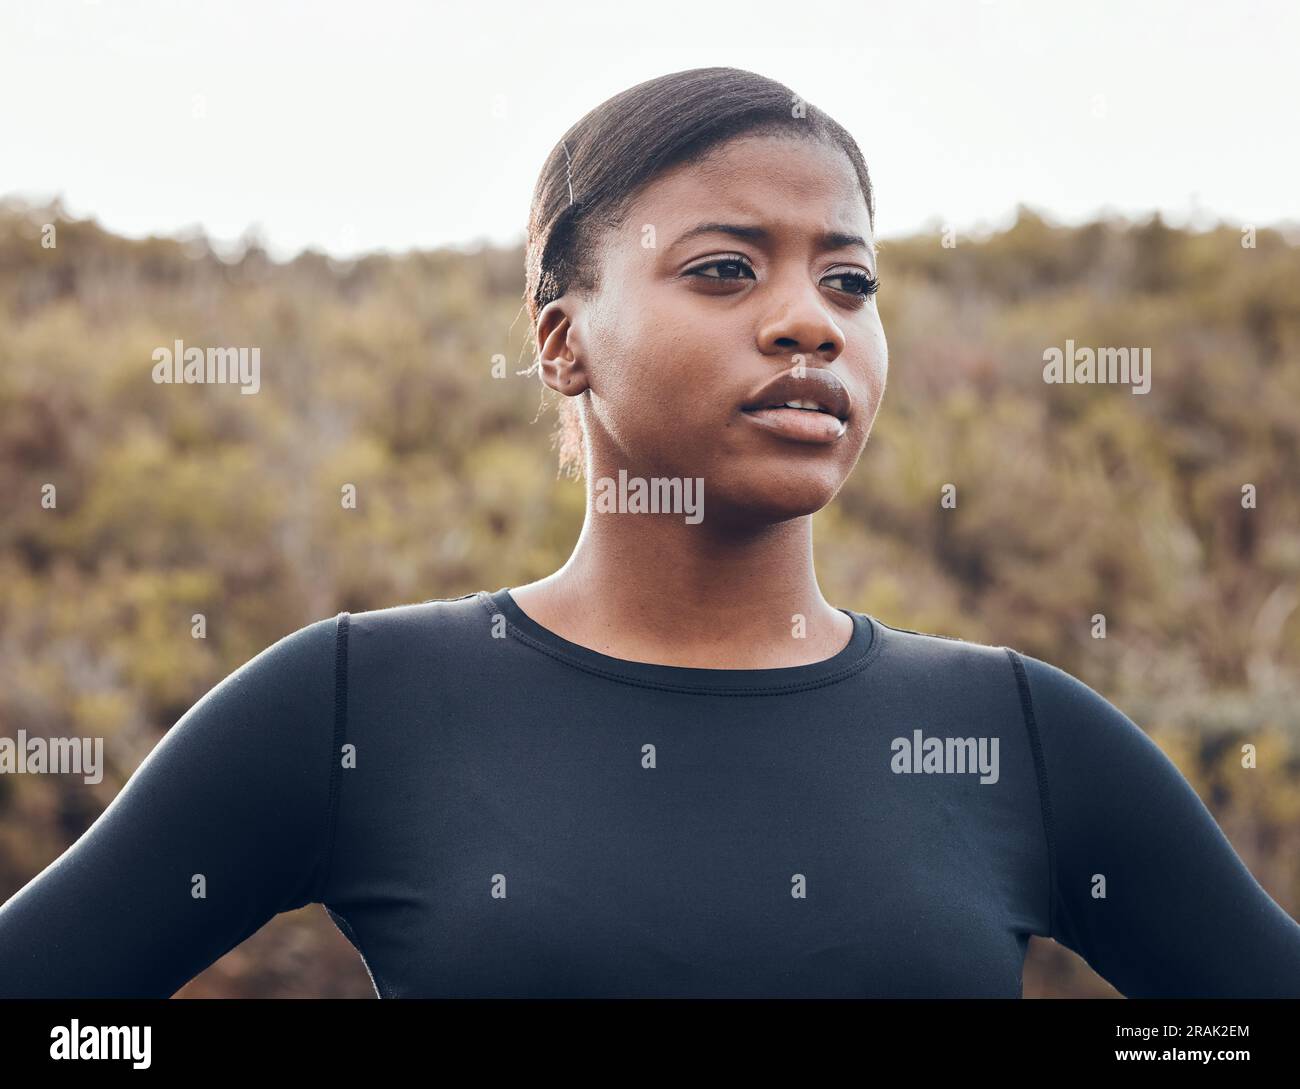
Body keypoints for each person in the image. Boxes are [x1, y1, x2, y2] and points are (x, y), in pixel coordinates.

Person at [2, 66, 1298, 999]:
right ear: (563, 340)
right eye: (727, 269)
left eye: (848, 279)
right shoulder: (356, 699)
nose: (812, 321)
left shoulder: (1020, 733)